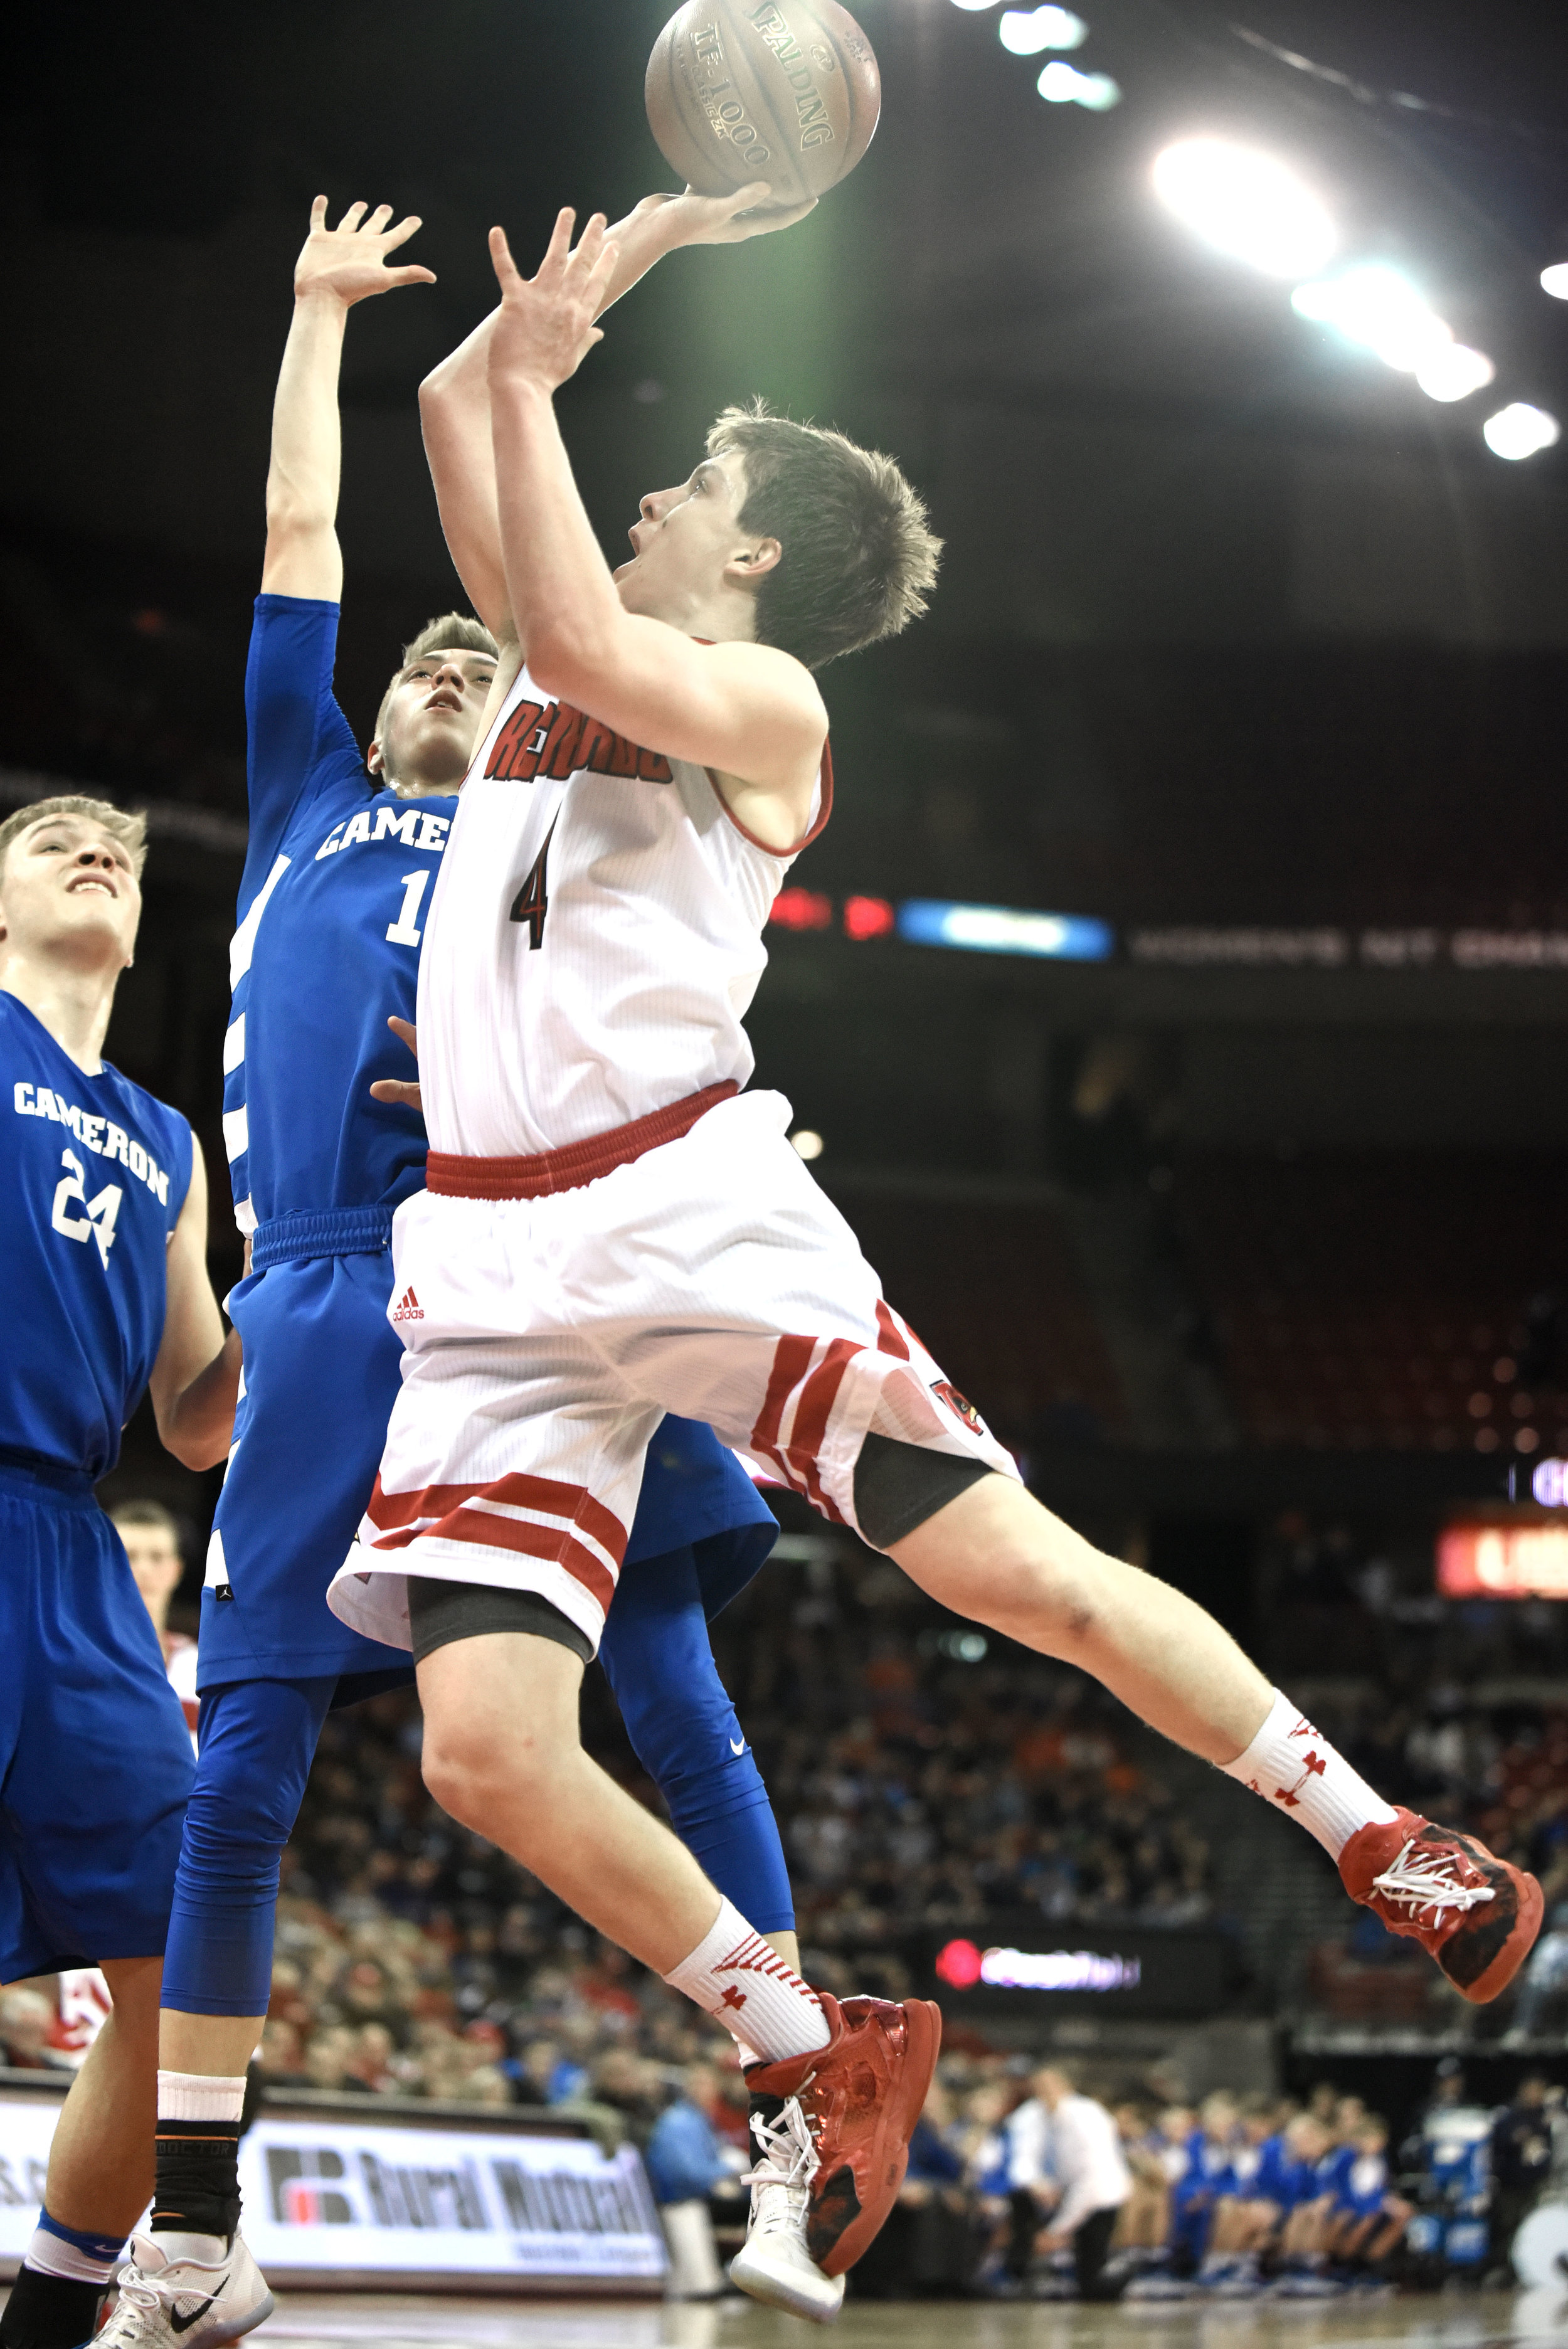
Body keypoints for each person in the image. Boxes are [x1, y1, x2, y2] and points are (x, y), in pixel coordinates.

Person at [331, 203, 1540, 2308]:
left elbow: (592, 629)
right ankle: (813, 2043)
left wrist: (535, 376)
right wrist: (513, 352)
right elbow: (456, 422)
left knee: (1010, 1570)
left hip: (684, 1198)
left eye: (690, 479)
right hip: (497, 1263)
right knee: (482, 1751)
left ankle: (1386, 1836)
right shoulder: (544, 636)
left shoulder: (763, 696)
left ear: (762, 549)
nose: (648, 489)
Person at [93, 186, 844, 2349]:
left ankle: (800, 2107)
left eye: (477, 653)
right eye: (424, 657)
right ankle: (199, 2228)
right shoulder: (308, 781)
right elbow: (305, 543)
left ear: (521, 705)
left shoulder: (558, 790)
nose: (445, 661)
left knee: (673, 1686)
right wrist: (318, 317)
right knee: (248, 1759)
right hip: (337, 1283)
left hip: (542, 1256)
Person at [0, 797, 238, 2349]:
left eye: (122, 852)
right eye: (51, 839)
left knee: (189, 1949)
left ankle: (52, 2313)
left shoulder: (164, 1140)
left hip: (73, 1555)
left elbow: (197, 1413)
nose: (98, 850)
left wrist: (324, 1275)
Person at [1025, 2068, 1131, 2301]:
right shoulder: (1058, 2118)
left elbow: (1090, 2174)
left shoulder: (1082, 2117)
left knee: (1092, 2278)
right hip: (1087, 2192)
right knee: (1086, 2271)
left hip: (1098, 2195)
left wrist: (1058, 2229)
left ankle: (1131, 2269)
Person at [114, 1498, 198, 1743]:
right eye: (129, 1556)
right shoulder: (77, 1660)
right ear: (104, 1566)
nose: (144, 1569)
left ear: (176, 1570)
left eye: (157, 1557)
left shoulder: (200, 1667)